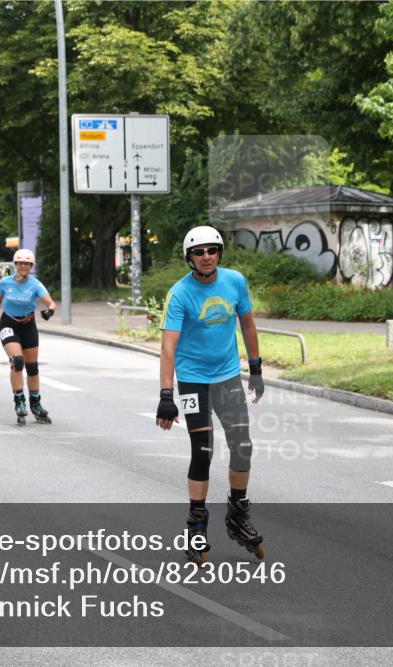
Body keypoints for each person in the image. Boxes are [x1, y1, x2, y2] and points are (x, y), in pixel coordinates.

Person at [155, 226, 266, 565]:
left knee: (242, 446)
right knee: (202, 451)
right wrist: (166, 394)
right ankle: (197, 526)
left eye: (211, 250)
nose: (206, 256)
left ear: (220, 253)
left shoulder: (235, 282)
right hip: (193, 382)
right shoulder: (180, 293)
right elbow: (168, 346)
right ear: (189, 257)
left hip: (228, 377)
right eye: (198, 252)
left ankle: (238, 515)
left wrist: (257, 368)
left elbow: (247, 324)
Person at [0, 249, 56, 425]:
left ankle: (36, 404)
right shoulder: (5, 282)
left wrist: (50, 311)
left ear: (31, 266)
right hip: (9, 323)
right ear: (15, 265)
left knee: (32, 367)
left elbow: (51, 302)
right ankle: (19, 401)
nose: (23, 266)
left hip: (28, 325)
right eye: (20, 263)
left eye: (27, 263)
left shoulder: (35, 284)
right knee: (17, 361)